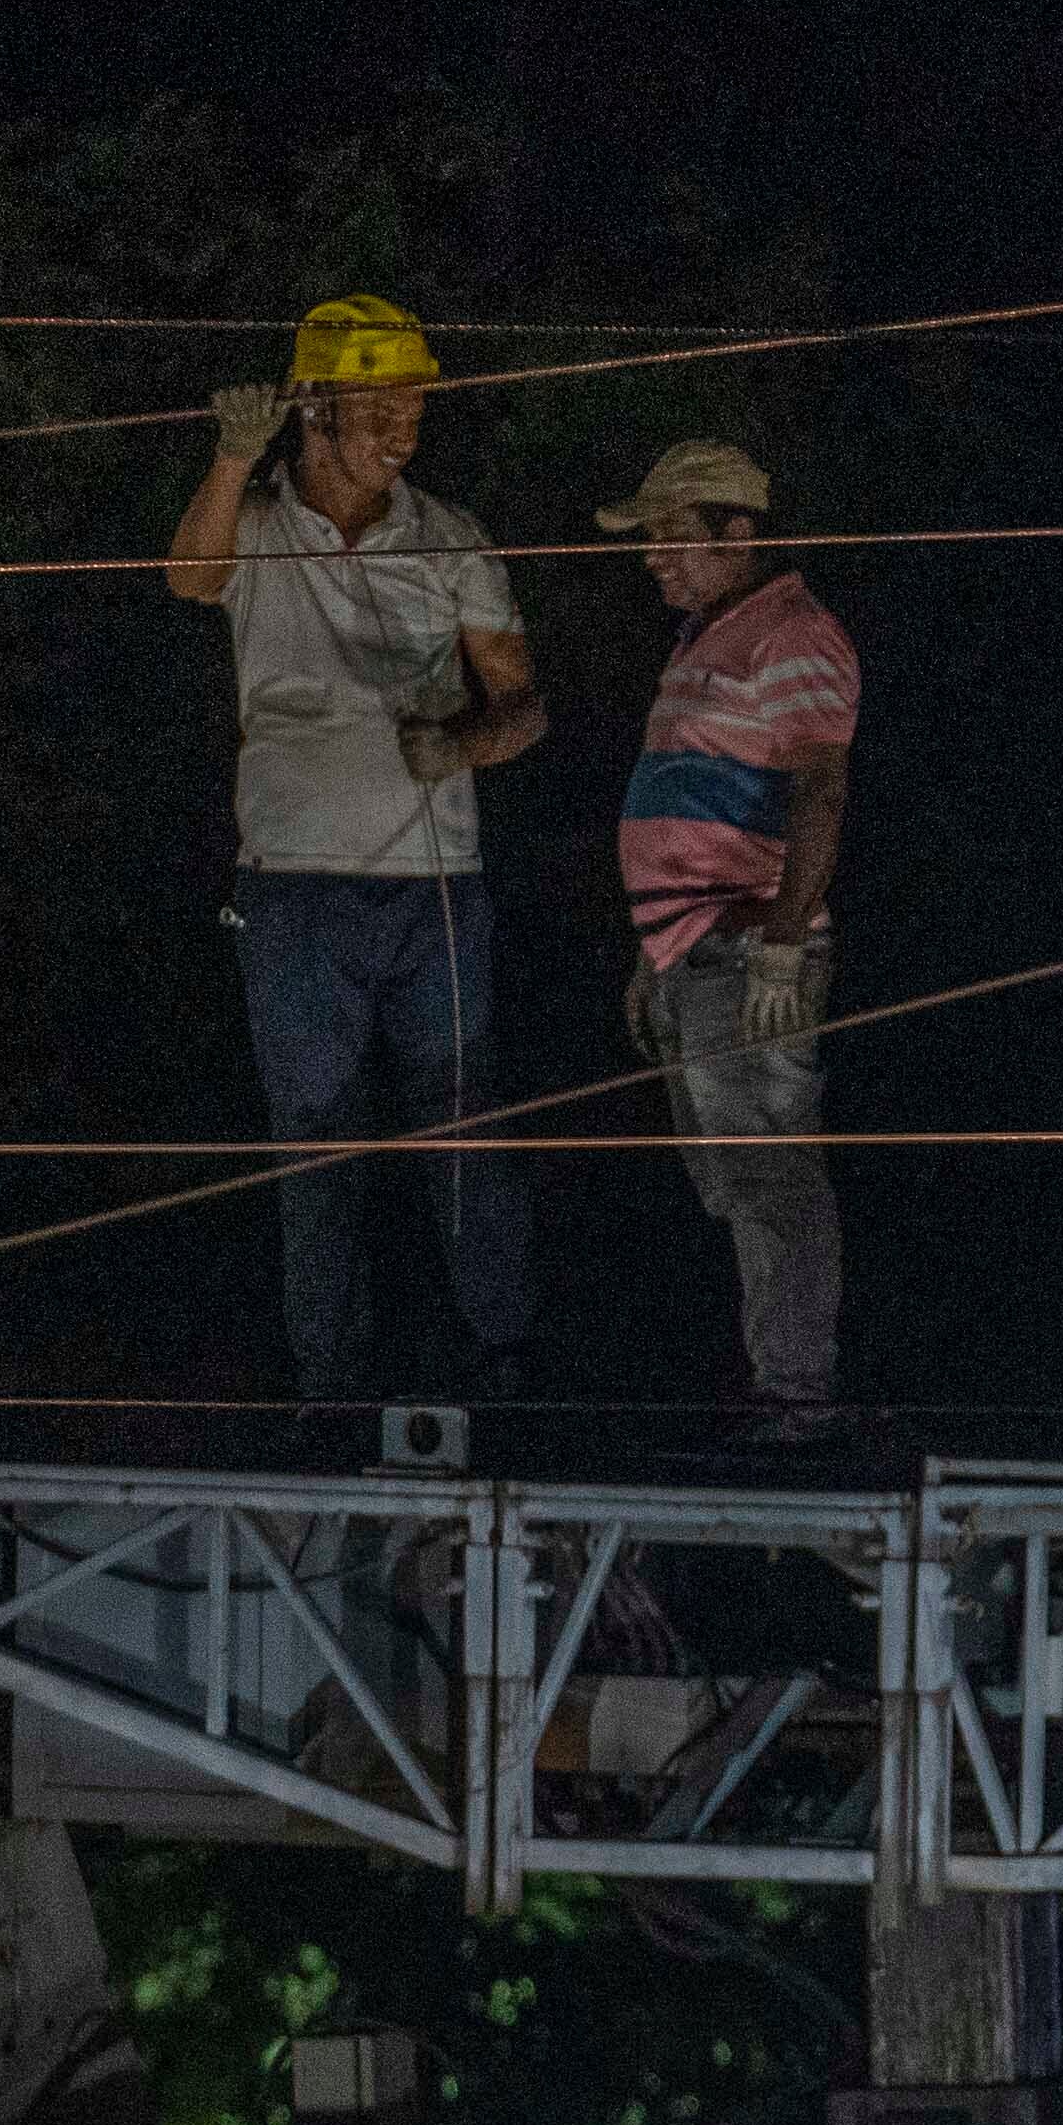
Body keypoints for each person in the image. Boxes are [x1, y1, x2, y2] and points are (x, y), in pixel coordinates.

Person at [160, 294, 545, 1433]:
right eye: (379, 403)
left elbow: (523, 706)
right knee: (314, 1142)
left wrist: (467, 741)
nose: (406, 426)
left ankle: (506, 1370)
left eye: (415, 401)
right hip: (292, 889)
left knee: (467, 1128)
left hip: (435, 884)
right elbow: (189, 578)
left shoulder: (452, 536)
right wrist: (233, 450)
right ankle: (329, 1391)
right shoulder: (261, 522)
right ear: (316, 409)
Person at [602, 438, 856, 1449]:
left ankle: (795, 1396)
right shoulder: (711, 634)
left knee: (769, 1175)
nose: (654, 558)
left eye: (671, 538)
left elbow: (820, 785)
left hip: (745, 947)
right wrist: (650, 949)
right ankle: (774, 1379)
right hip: (688, 948)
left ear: (735, 534)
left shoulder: (789, 631)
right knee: (731, 1183)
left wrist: (784, 941)